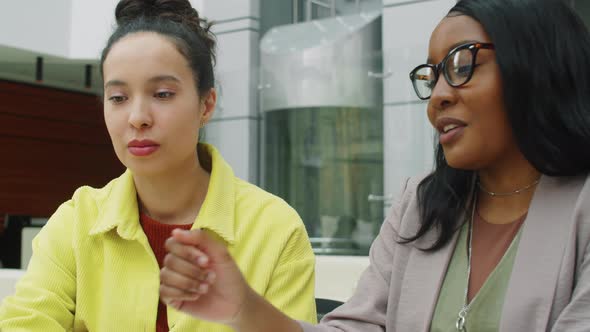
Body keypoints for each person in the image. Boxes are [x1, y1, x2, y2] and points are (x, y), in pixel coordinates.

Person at [157, 0, 590, 331]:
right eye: (432, 75)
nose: (439, 94)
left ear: (536, 64)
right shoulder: (420, 206)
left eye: (461, 65)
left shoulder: (581, 209)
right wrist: (244, 309)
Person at [0, 0, 317, 331]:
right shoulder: (77, 220)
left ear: (206, 104)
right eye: (118, 98)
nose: (137, 118)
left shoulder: (275, 229)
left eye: (163, 94)